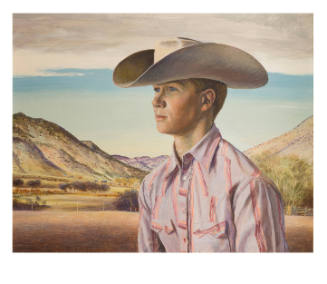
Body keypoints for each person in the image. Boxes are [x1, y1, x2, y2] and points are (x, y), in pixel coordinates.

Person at [113, 37, 289, 252]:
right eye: (156, 90)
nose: (156, 101)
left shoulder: (246, 184)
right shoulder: (152, 185)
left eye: (171, 89)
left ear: (206, 100)